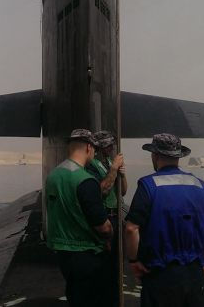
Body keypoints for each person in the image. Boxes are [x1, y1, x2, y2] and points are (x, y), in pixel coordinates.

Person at [124, 133, 204, 307]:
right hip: (195, 276)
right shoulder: (200, 184)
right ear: (178, 157)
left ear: (155, 156)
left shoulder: (148, 185)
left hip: (160, 276)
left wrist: (134, 261)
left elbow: (131, 229)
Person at [46, 128, 114, 307]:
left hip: (63, 253)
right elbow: (103, 226)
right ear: (89, 148)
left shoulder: (54, 175)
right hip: (86, 254)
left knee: (75, 296)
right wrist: (109, 236)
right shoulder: (85, 180)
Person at [87, 130, 128, 306]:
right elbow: (102, 191)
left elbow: (123, 191)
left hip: (115, 216)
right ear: (101, 147)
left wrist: (122, 174)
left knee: (114, 263)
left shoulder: (111, 161)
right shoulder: (91, 165)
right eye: (109, 145)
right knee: (103, 262)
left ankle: (110, 297)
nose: (112, 147)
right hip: (104, 217)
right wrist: (112, 169)